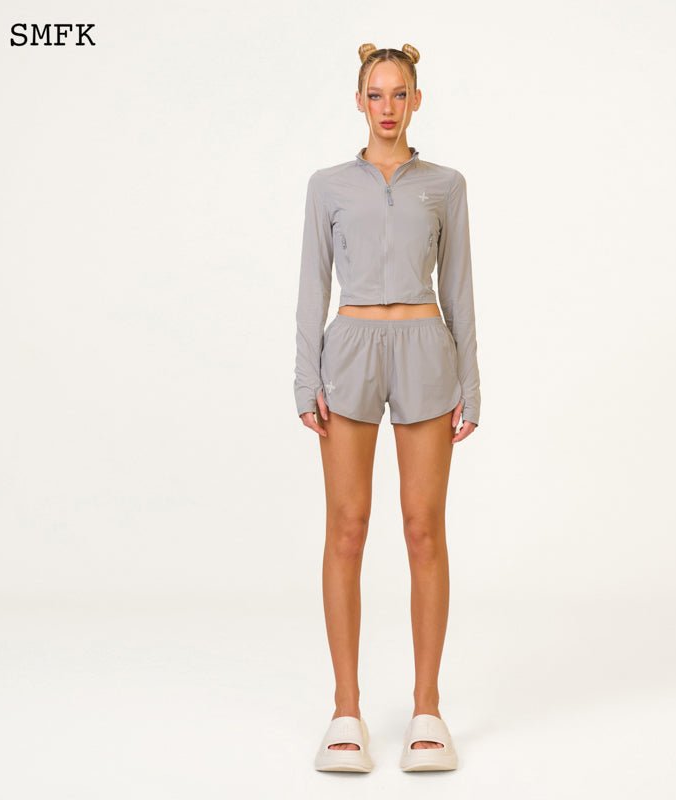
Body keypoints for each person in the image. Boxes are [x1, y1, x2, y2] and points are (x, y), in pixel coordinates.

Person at [293, 42, 481, 773]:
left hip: (426, 347)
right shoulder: (328, 186)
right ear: (359, 101)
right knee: (347, 528)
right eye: (376, 94)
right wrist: (303, 375)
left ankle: (427, 709)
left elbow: (459, 286)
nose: (388, 107)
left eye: (399, 94)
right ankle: (346, 710)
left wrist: (472, 381)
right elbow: (313, 283)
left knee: (423, 528)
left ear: (416, 99)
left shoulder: (445, 185)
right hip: (349, 349)